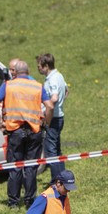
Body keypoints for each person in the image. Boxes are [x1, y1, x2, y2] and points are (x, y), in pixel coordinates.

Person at [0, 60, 54, 209]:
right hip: (34, 131)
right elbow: (50, 106)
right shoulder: (37, 86)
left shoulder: (8, 85)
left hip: (15, 131)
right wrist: (46, 123)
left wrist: (0, 122)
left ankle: (13, 202)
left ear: (15, 72)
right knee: (31, 167)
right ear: (28, 72)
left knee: (15, 166)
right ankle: (30, 200)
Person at [36, 53, 68, 181]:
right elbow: (66, 91)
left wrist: (46, 109)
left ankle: (56, 180)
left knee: (51, 152)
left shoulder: (52, 79)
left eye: (39, 66)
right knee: (57, 150)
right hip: (59, 116)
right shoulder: (58, 76)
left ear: (46, 66)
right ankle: (63, 177)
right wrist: (60, 103)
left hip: (53, 119)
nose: (38, 68)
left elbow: (54, 97)